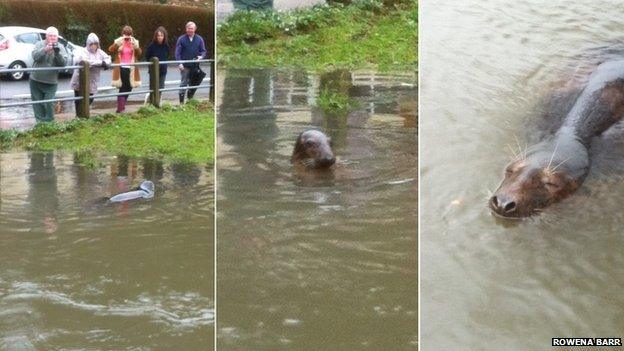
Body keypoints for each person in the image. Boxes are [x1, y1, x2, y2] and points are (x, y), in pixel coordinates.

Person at [29, 26, 68, 123]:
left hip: (51, 82)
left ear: (57, 37)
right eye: (50, 35)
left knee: (48, 103)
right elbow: (35, 56)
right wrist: (45, 50)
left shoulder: (61, 47)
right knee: (37, 103)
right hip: (36, 79)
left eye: (54, 36)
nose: (52, 38)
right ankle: (40, 123)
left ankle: (49, 123)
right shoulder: (39, 44)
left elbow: (63, 64)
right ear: (46, 36)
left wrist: (57, 53)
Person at [70, 33, 111, 117]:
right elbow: (87, 62)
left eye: (95, 44)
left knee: (90, 98)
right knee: (79, 99)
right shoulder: (83, 51)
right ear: (88, 44)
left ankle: (82, 115)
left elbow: (108, 58)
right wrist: (101, 63)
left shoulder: (100, 52)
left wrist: (105, 63)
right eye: (91, 44)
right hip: (80, 79)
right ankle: (79, 117)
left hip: (92, 80)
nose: (93, 46)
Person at [109, 26, 142, 113]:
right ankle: (120, 108)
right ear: (123, 34)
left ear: (131, 34)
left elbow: (139, 53)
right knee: (123, 87)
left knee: (129, 87)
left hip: (131, 68)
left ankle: (121, 106)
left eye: (129, 34)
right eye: (125, 34)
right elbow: (111, 49)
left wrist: (136, 46)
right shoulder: (119, 41)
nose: (127, 36)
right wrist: (117, 44)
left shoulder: (134, 42)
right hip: (122, 67)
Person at [174, 21, 207, 104]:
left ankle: (190, 100)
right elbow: (177, 53)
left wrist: (201, 57)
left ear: (195, 29)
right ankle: (181, 102)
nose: (190, 30)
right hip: (185, 66)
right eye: (189, 28)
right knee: (184, 82)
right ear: (186, 29)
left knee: (194, 82)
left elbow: (203, 51)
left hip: (195, 66)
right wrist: (179, 63)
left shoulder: (199, 39)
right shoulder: (181, 39)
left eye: (192, 28)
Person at [145, 26, 170, 102]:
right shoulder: (151, 46)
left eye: (161, 35)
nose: (160, 37)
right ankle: (151, 102)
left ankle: (157, 102)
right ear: (155, 36)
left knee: (161, 87)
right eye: (158, 35)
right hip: (153, 71)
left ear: (164, 36)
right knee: (153, 87)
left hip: (163, 70)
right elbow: (147, 56)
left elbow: (167, 56)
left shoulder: (166, 46)